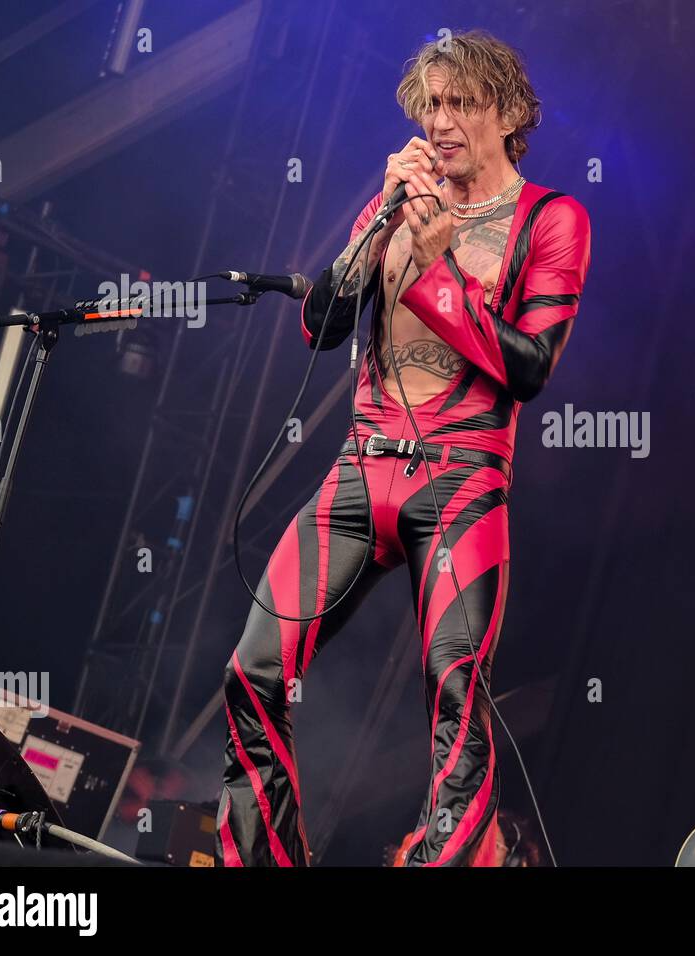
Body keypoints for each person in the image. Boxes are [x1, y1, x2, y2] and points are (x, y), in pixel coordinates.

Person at [217, 30, 591, 867]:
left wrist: (433, 268)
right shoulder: (399, 201)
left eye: (463, 103)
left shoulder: (551, 217)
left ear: (511, 112)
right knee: (254, 671)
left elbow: (530, 366)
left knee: (457, 694)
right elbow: (323, 321)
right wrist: (382, 216)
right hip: (360, 469)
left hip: (462, 482)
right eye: (432, 105)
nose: (443, 121)